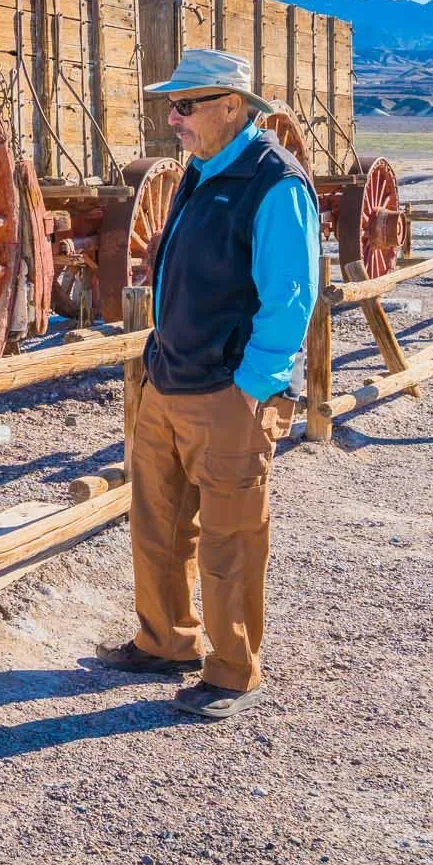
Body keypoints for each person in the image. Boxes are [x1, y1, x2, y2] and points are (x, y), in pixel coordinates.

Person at [97, 50, 319, 720]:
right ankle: (166, 640)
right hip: (169, 380)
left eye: (186, 104)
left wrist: (251, 389)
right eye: (174, 105)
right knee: (157, 525)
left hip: (229, 393)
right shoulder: (204, 169)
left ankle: (232, 669)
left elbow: (291, 299)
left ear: (232, 105)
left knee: (231, 536)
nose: (174, 118)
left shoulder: (275, 183)